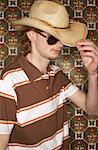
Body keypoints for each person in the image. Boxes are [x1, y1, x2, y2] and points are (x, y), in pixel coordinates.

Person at [0, 0, 98, 149]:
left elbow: (92, 109)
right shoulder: (8, 81)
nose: (60, 45)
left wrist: (92, 74)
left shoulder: (57, 75)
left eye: (62, 39)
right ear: (32, 35)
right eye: (53, 38)